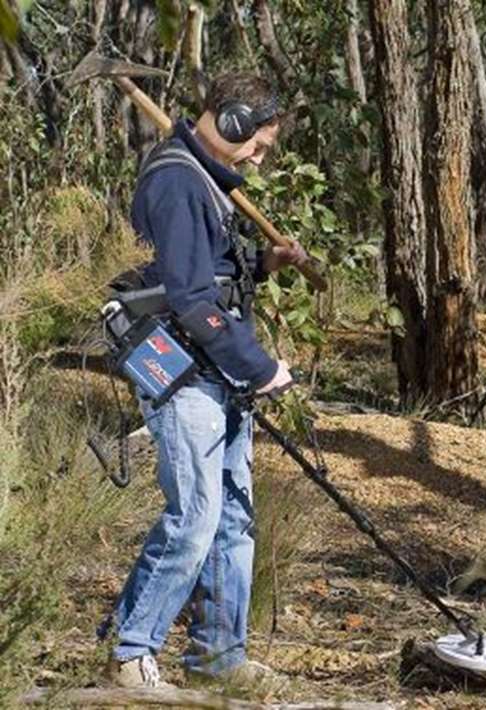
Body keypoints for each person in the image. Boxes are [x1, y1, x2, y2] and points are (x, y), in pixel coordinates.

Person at [98, 73, 307, 688]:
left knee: (232, 518)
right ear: (236, 120)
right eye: (259, 145)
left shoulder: (205, 182)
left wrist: (264, 262)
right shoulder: (176, 181)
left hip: (215, 365)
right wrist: (263, 367)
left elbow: (212, 271)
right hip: (184, 364)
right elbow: (191, 299)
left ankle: (218, 658)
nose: (259, 159)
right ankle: (131, 651)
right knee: (194, 515)